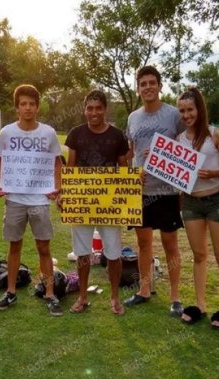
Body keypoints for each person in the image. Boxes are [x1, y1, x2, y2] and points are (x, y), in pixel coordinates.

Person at [0, 84, 63, 316]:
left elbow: (57, 162)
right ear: (17, 108)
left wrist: (58, 186)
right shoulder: (7, 133)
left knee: (44, 246)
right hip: (15, 198)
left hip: (39, 198)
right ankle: (11, 291)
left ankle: (50, 293)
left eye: (32, 104)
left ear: (37, 107)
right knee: (15, 244)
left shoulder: (49, 133)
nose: (28, 108)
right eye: (23, 104)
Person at [124, 65, 185, 316]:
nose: (148, 87)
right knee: (143, 242)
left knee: (170, 243)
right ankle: (144, 290)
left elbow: (187, 149)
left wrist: (165, 155)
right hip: (141, 190)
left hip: (169, 189)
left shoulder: (174, 115)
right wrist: (128, 176)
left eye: (152, 82)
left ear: (160, 86)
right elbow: (130, 151)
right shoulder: (132, 117)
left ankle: (175, 296)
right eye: (143, 83)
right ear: (138, 89)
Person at [64, 89, 128, 315]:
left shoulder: (118, 135)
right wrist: (65, 195)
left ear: (105, 109)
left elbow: (124, 170)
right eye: (89, 108)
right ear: (84, 110)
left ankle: (114, 298)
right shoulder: (75, 134)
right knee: (82, 252)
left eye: (98, 108)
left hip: (110, 203)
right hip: (82, 201)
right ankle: (82, 296)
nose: (94, 112)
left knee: (113, 253)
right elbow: (70, 168)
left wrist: (130, 189)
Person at [175, 87, 219, 329]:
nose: (186, 115)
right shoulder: (178, 141)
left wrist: (215, 173)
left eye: (190, 109)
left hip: (216, 201)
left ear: (199, 109)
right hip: (191, 203)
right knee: (199, 255)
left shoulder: (215, 135)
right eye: (182, 111)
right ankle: (200, 305)